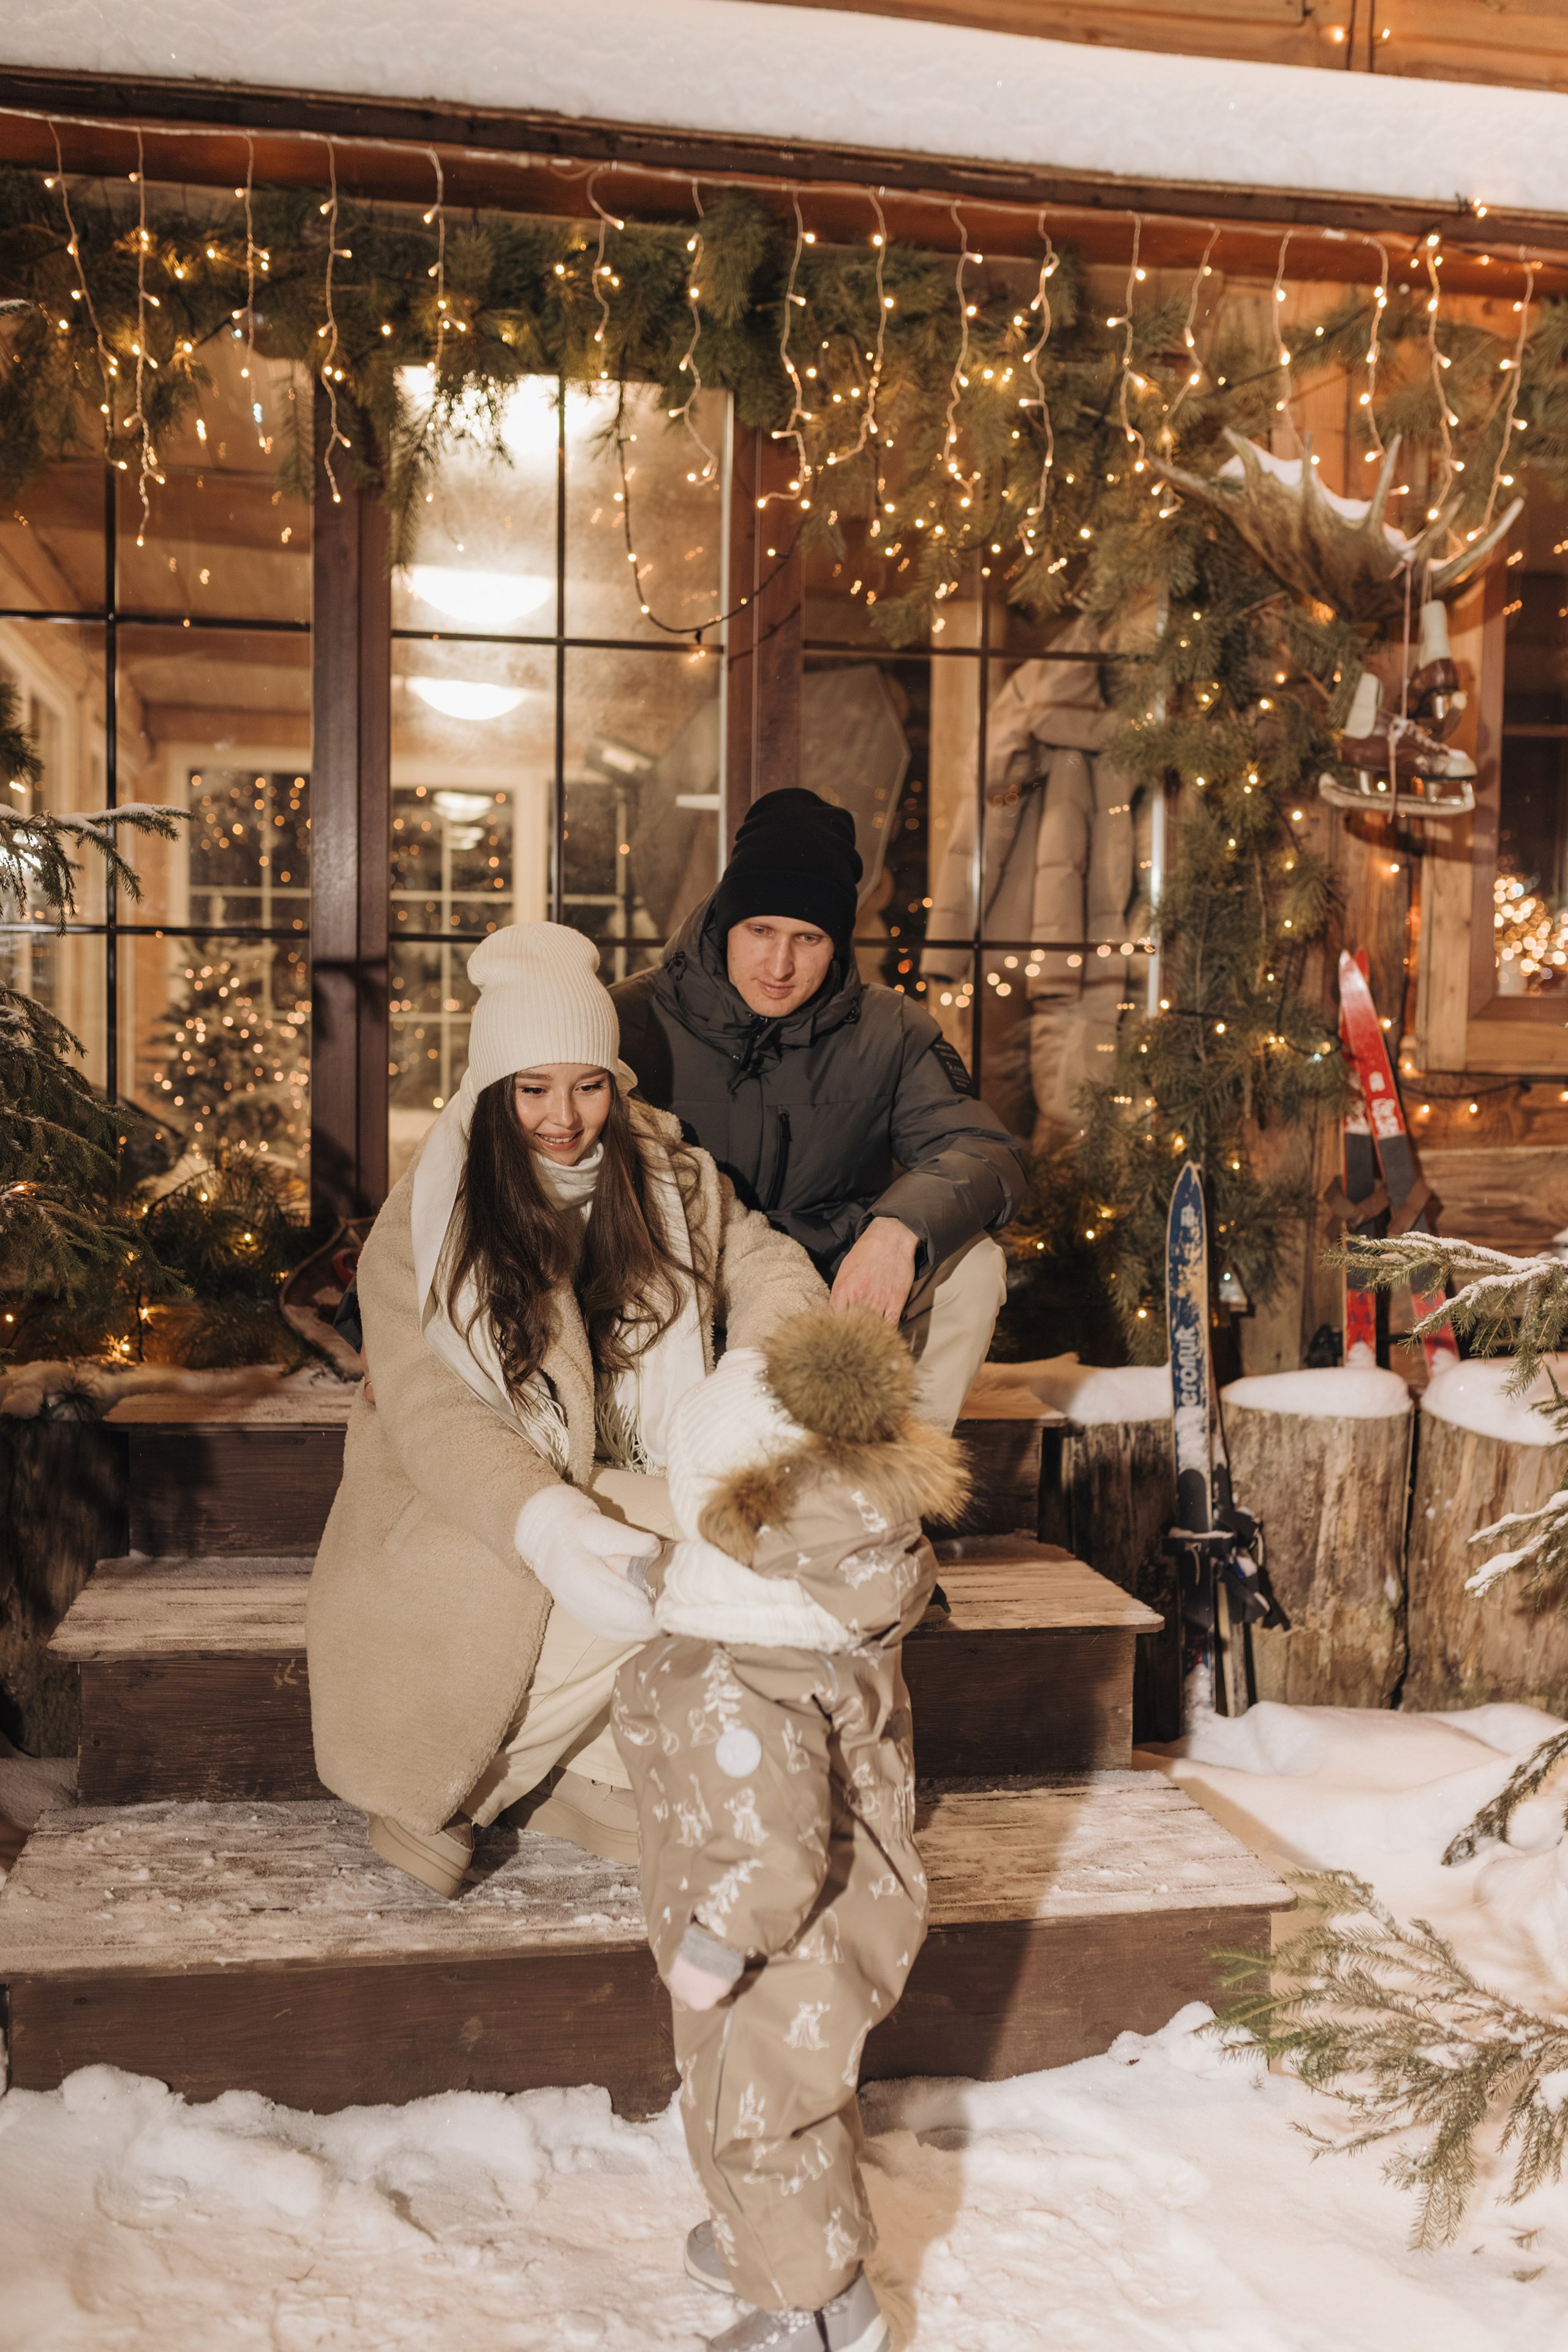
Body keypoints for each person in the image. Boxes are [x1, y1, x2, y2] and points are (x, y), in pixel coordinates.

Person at [306, 922, 824, 1900]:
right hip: (467, 1508)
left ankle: (519, 1779)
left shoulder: (666, 1173)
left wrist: (750, 1375)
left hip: (624, 1472)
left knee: (722, 1531)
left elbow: (770, 1265)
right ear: (495, 1088)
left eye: (588, 1085)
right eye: (533, 1088)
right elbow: (432, 1415)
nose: (564, 1116)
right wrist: (545, 1521)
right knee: (701, 1542)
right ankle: (448, 1782)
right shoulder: (434, 1212)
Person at [613, 1302, 966, 2352]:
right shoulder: (814, 1603)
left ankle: (811, 2311)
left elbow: (774, 1844)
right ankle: (777, 2234)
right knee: (798, 2091)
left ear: (733, 1510)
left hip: (775, 1935)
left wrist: (719, 1944)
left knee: (753, 2114)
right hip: (826, 1928)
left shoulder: (743, 1671)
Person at [612, 786, 1026, 1431]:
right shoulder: (626, 1020)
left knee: (972, 1267)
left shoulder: (890, 1031)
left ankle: (881, 1488)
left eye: (807, 937)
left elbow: (983, 1152)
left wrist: (896, 1232)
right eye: (761, 931)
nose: (780, 964)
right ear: (725, 922)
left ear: (838, 941)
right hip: (677, 1300)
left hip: (835, 1294)